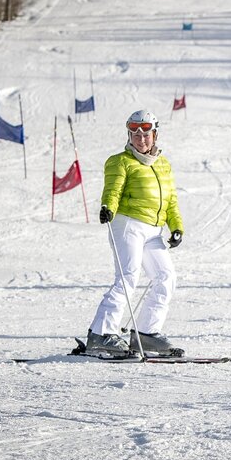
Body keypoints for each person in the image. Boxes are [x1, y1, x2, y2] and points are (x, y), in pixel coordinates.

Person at [86, 110, 185, 357]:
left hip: (153, 229)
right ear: (129, 136)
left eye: (146, 134)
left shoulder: (163, 164)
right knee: (127, 277)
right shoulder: (119, 161)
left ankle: (146, 333)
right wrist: (107, 207)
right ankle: (101, 334)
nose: (141, 139)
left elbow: (171, 199)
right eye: (135, 134)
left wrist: (176, 227)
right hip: (127, 223)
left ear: (155, 135)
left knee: (165, 277)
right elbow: (113, 189)